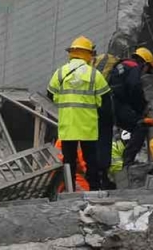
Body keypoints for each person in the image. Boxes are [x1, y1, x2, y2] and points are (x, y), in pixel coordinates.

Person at [47, 35, 111, 191]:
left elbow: (50, 94)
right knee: (91, 160)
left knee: (69, 161)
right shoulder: (95, 74)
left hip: (68, 125)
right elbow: (106, 101)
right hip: (88, 126)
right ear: (88, 54)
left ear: (72, 52)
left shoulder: (60, 73)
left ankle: (70, 190)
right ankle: (94, 190)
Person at [107, 47, 153, 167]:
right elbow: (134, 87)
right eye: (147, 69)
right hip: (118, 105)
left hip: (109, 104)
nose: (145, 73)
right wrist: (141, 107)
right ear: (145, 64)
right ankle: (128, 161)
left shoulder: (121, 66)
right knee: (140, 126)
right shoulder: (134, 67)